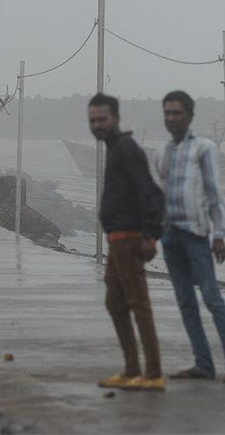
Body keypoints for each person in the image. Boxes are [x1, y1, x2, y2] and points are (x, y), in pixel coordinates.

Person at [155, 90, 225, 383]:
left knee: (212, 299)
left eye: (177, 112)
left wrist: (219, 234)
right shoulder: (162, 153)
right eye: (167, 112)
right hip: (171, 238)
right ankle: (203, 365)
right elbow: (163, 194)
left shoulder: (204, 149)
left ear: (189, 116)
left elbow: (213, 194)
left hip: (196, 236)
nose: (171, 118)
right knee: (185, 302)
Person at [88, 93, 166, 391]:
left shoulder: (126, 148)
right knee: (115, 302)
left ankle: (153, 373)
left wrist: (150, 235)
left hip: (130, 238)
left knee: (138, 304)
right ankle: (132, 369)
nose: (97, 125)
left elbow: (151, 192)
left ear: (116, 118)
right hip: (116, 239)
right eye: (93, 120)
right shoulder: (115, 149)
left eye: (102, 119)